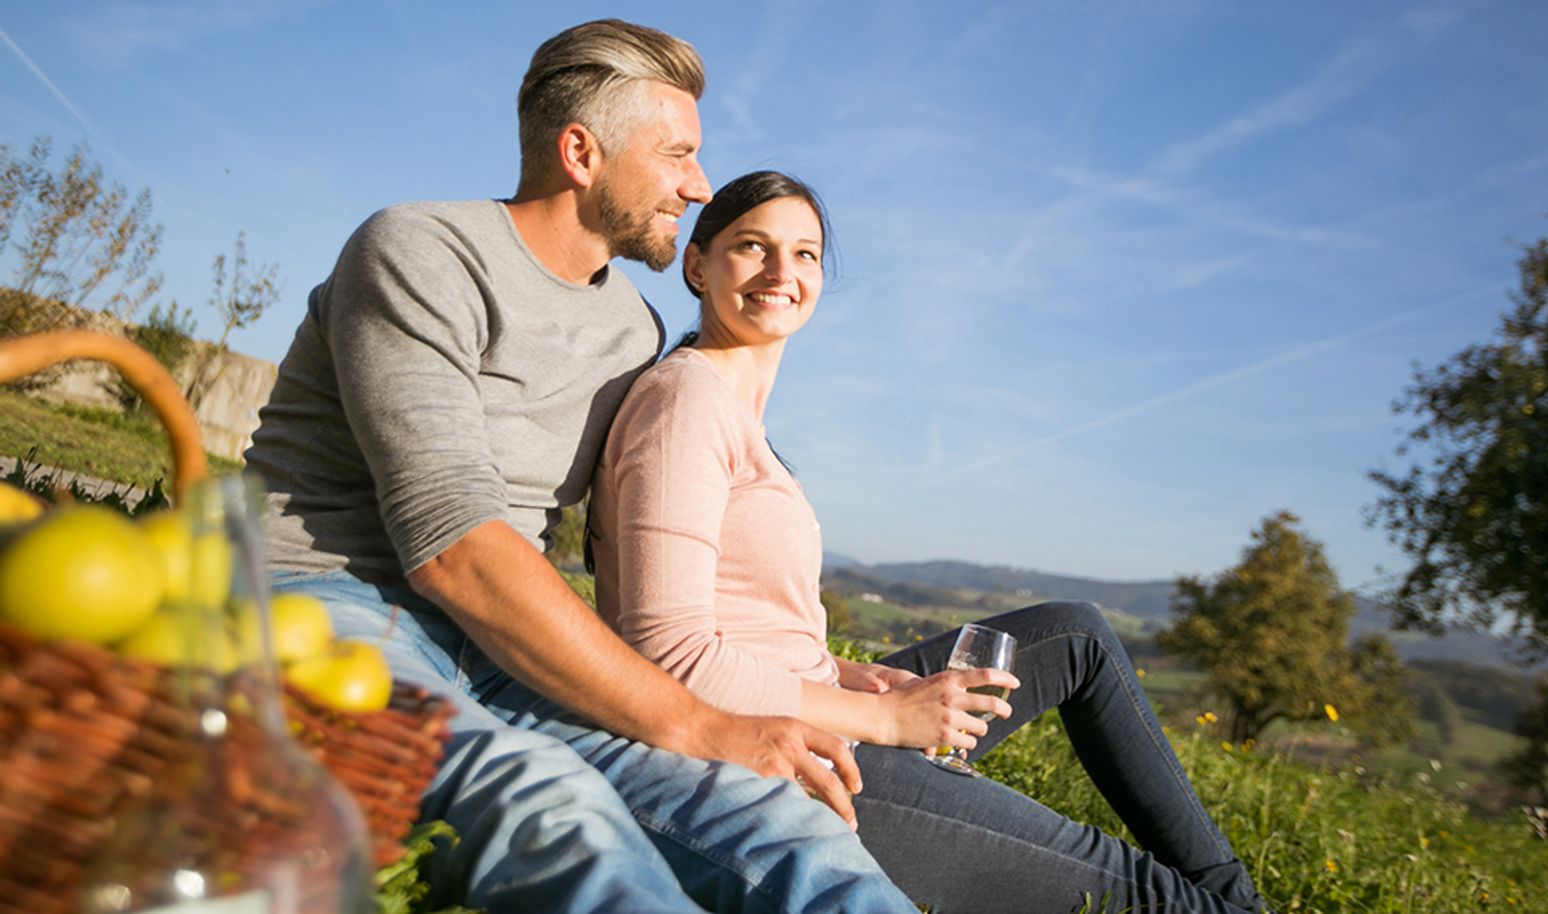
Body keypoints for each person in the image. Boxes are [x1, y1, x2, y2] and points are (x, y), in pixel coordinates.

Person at [244, 22, 919, 914]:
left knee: (781, 828)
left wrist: (804, 687)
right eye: (678, 154)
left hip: (504, 645)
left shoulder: (634, 334)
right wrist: (697, 720)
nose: (699, 184)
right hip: (328, 601)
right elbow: (453, 545)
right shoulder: (419, 251)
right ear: (580, 152)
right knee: (549, 807)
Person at [588, 170, 1275, 914]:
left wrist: (854, 676)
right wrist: (888, 719)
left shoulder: (732, 409)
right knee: (1147, 895)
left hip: (817, 703)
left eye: (806, 254)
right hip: (786, 757)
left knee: (1074, 634)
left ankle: (1235, 898)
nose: (782, 273)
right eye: (752, 248)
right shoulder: (686, 402)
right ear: (698, 264)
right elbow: (669, 656)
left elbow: (754, 620)